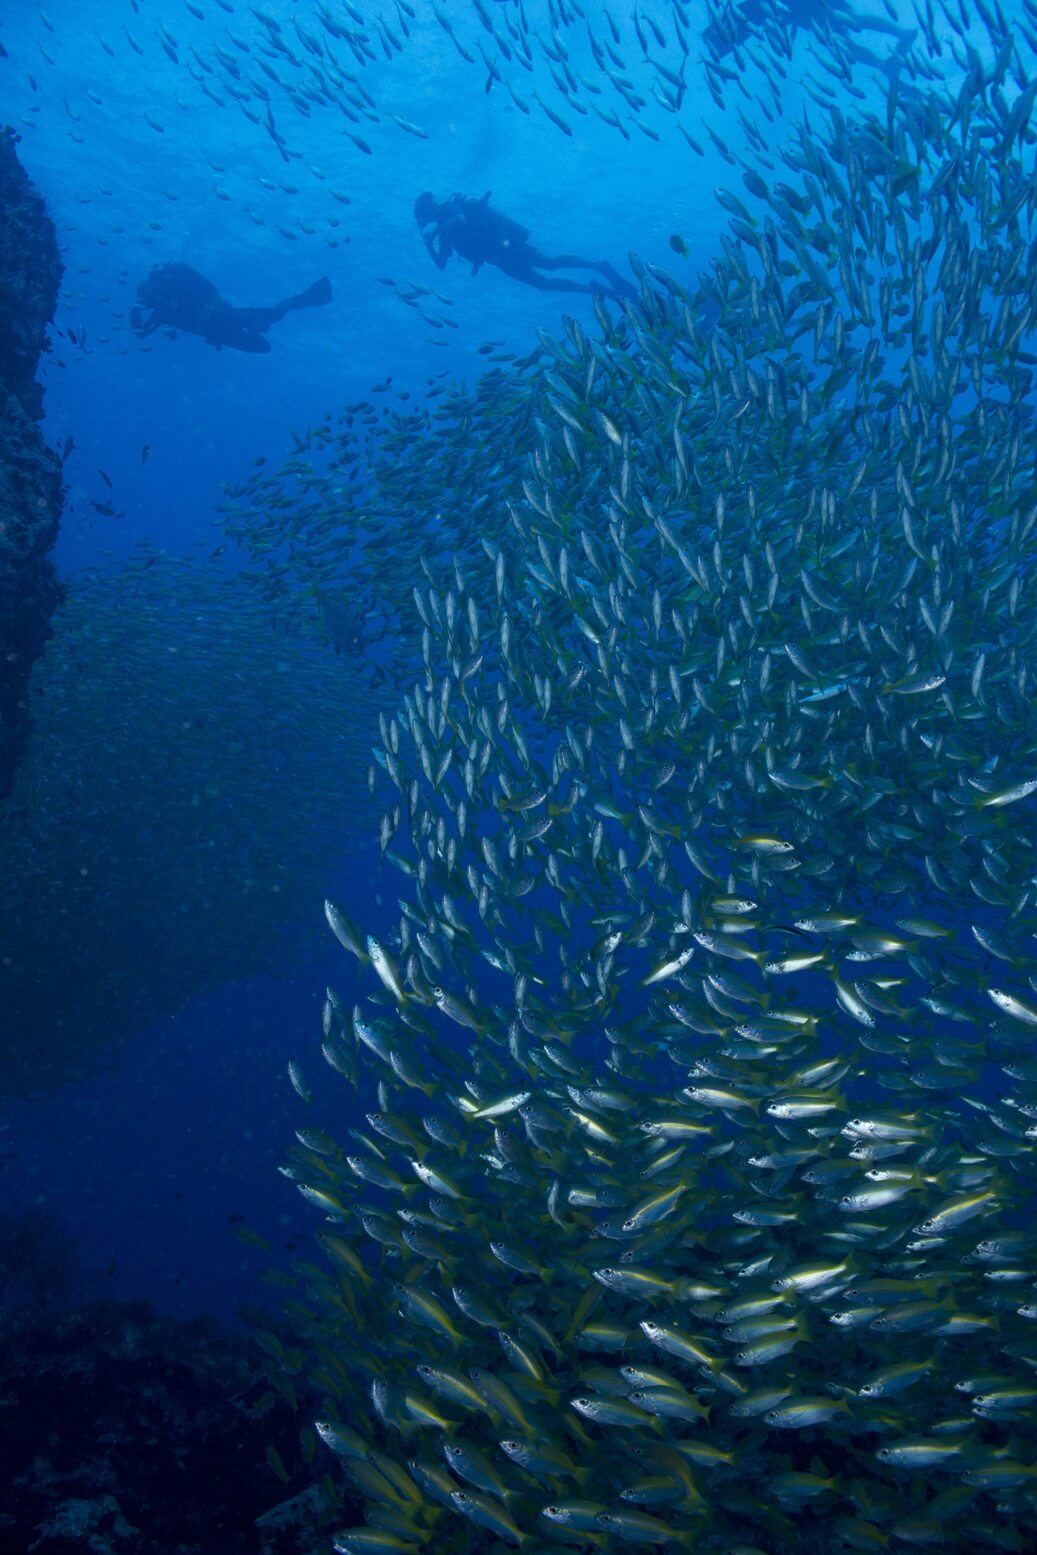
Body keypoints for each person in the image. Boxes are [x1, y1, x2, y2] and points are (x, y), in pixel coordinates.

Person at [414, 191, 636, 301]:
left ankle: (599, 265)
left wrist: (435, 230)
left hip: (506, 246)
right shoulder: (444, 234)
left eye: (424, 213)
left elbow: (461, 220)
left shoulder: (450, 207)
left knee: (550, 264)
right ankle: (593, 290)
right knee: (543, 284)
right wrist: (428, 245)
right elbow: (442, 264)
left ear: (431, 205)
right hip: (498, 260)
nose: (427, 218)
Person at [130, 263, 332, 353]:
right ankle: (264, 321)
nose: (149, 300)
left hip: (221, 314)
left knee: (271, 316)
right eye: (146, 298)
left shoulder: (172, 290)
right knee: (262, 347)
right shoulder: (160, 314)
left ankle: (302, 299)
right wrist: (135, 312)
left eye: (149, 293)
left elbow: (198, 292)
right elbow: (141, 334)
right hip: (214, 332)